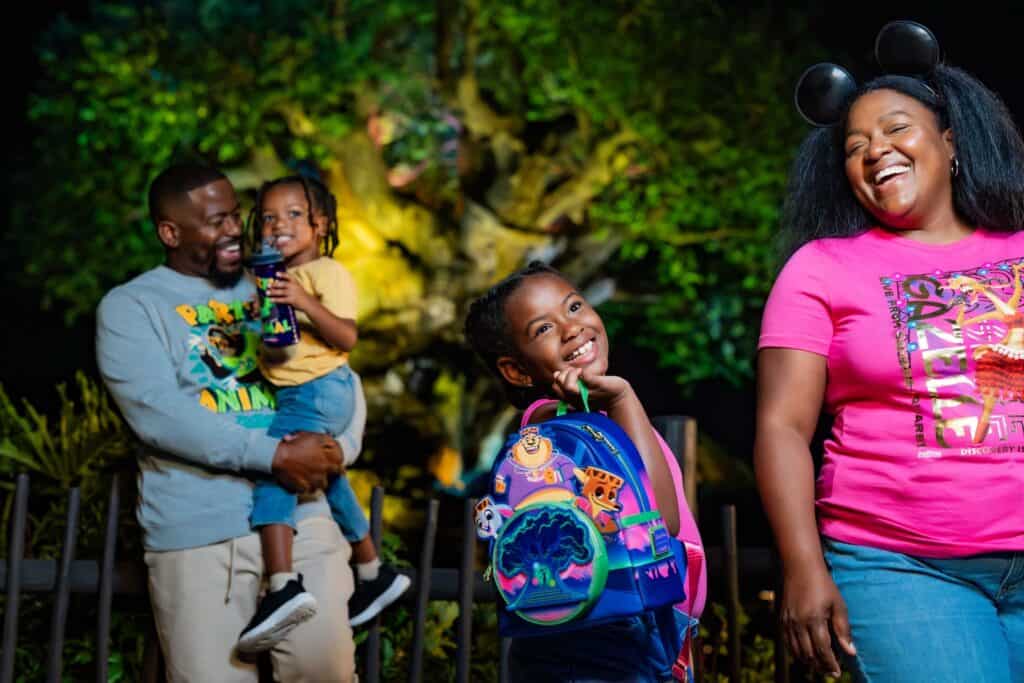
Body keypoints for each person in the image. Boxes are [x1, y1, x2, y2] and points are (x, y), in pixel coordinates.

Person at [756, 25, 1024, 682]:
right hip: (902, 566)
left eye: (896, 129)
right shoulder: (819, 270)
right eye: (856, 147)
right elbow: (782, 427)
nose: (877, 151)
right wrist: (803, 566)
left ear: (950, 143)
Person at [96, 163, 357, 681]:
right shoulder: (132, 307)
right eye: (216, 222)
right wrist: (275, 455)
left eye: (237, 216)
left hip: (301, 520)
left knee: (324, 672)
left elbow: (337, 370)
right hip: (198, 534)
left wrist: (341, 447)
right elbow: (159, 417)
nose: (236, 230)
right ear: (170, 233)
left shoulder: (278, 280)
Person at [464, 261, 705, 683]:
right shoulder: (560, 437)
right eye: (543, 329)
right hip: (606, 647)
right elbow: (659, 519)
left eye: (574, 306)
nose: (571, 327)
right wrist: (623, 397)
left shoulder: (596, 418)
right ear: (517, 370)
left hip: (643, 635)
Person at [237, 176, 409, 653]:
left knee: (278, 472)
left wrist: (303, 301)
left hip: (316, 392)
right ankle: (374, 572)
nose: (279, 225)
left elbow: (347, 337)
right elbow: (277, 341)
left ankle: (282, 585)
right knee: (328, 476)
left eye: (294, 215)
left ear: (321, 225)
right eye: (269, 217)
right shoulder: (275, 276)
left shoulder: (326, 273)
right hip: (303, 392)